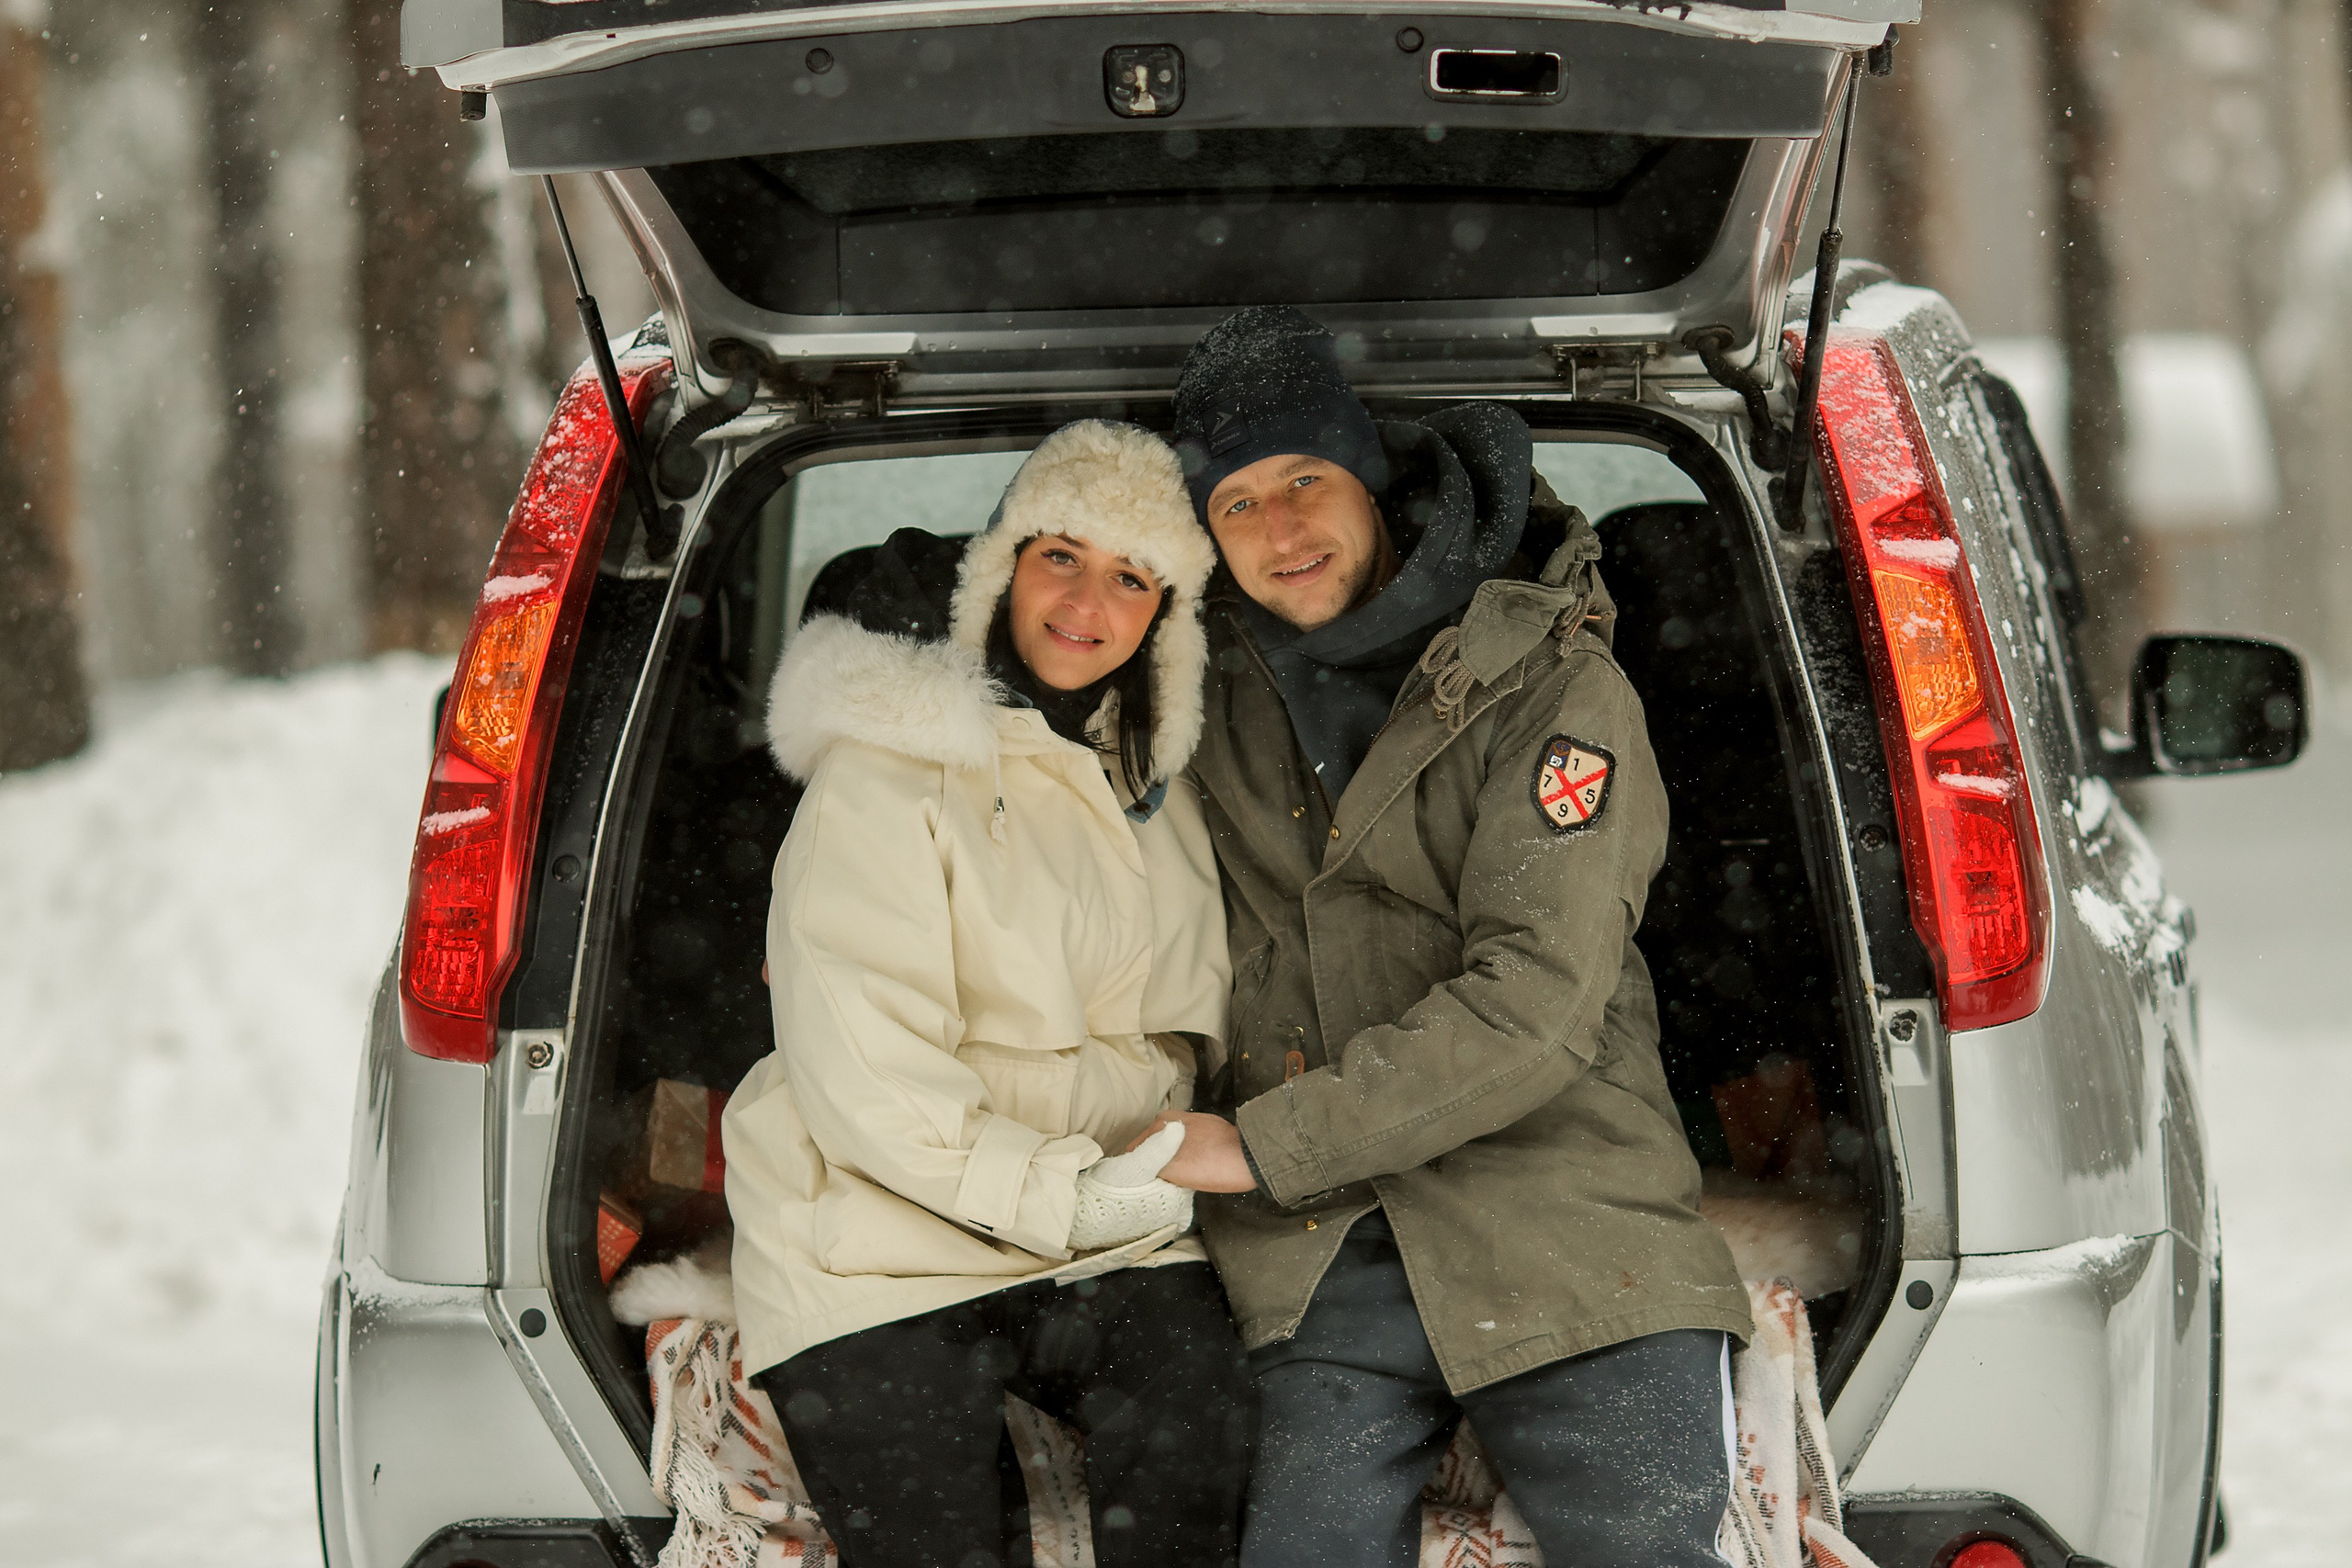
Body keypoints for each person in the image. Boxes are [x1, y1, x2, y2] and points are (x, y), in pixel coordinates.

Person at [1139, 306, 1754, 1568]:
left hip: (1569, 1214)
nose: (1281, 529)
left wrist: (1263, 1143)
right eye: (1237, 504)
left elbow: (1533, 1001)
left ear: (1372, 476)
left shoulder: (1553, 683)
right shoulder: (1186, 687)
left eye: (1305, 478)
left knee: (1647, 1547)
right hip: (1327, 1254)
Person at [722, 420, 1254, 1568]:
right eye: (1059, 554)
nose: (1086, 603)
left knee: (1195, 1459)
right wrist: (1064, 1197)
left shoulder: (1160, 784)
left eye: (1131, 577)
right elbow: (867, 1074)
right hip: (875, 1231)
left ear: (1164, 615)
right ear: (1001, 562)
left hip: (1112, 1226)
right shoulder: (890, 762)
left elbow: (1187, 1038)